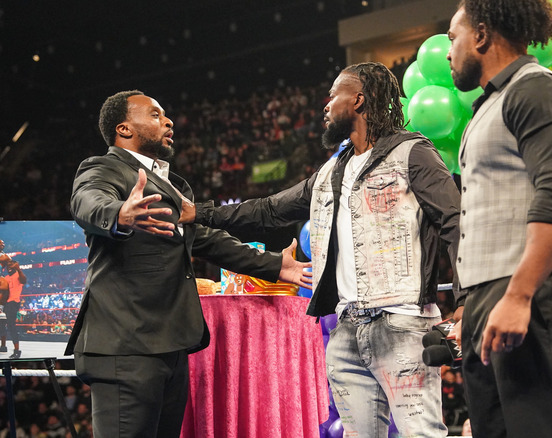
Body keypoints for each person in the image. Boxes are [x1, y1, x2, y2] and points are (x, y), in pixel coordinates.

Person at [183, 62, 460, 437]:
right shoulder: (332, 172)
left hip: (402, 323)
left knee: (422, 434)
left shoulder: (414, 154)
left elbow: (455, 221)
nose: (326, 105)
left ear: (359, 100)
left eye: (334, 96)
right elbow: (267, 210)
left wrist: (465, 299)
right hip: (346, 330)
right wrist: (199, 213)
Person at [68, 90, 312, 438]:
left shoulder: (169, 183)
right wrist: (119, 214)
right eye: (154, 115)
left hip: (169, 345)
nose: (167, 121)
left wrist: (276, 266)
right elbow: (87, 201)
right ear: (123, 129)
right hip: (125, 347)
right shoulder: (103, 168)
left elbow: (206, 239)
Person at [446, 1, 552, 437]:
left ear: (480, 36)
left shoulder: (537, 90)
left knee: (539, 430)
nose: (447, 50)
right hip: (494, 290)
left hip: (534, 289)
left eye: (453, 37)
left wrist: (519, 295)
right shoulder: (493, 101)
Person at [0, 261, 26, 359]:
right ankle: (3, 346)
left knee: (11, 326)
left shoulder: (18, 275)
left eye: (11, 265)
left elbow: (24, 281)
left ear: (16, 266)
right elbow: (2, 290)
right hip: (4, 303)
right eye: (8, 266)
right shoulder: (6, 278)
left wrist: (19, 269)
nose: (9, 267)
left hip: (13, 302)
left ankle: (17, 351)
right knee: (1, 324)